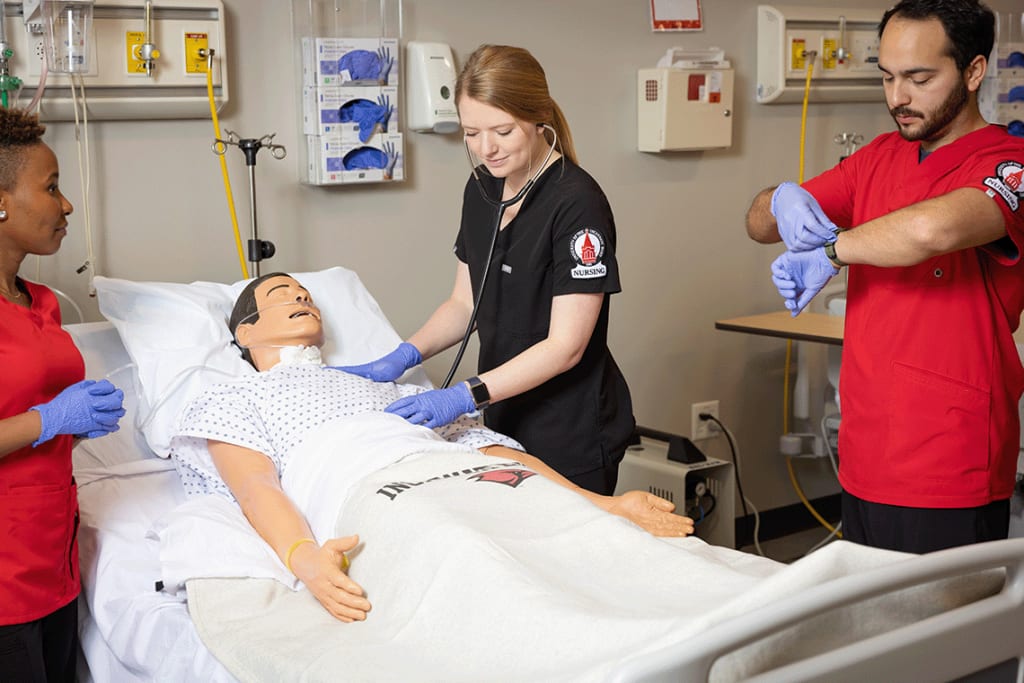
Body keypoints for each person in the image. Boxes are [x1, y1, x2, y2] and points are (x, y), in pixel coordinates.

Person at [168, 273, 692, 622]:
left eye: (306, 292)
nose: (302, 298)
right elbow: (255, 487)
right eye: (282, 295)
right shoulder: (233, 399)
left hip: (453, 470)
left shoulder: (387, 384)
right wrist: (304, 558)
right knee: (468, 552)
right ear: (245, 330)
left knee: (571, 537)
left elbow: (483, 445)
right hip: (372, 487)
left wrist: (602, 504)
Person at [745, 0, 1024, 553]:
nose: (898, 97)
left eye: (920, 78)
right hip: (867, 446)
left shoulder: (1007, 162)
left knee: (947, 635)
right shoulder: (877, 159)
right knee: (875, 630)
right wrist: (780, 197)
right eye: (888, 77)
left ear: (972, 72)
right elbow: (758, 225)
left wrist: (832, 250)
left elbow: (930, 231)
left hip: (951, 457)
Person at [337, 45, 635, 496]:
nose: (486, 149)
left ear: (538, 119)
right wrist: (403, 356)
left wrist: (463, 395)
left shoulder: (576, 202)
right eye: (471, 132)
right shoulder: (481, 190)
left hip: (569, 427)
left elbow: (566, 347)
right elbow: (464, 303)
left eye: (502, 130)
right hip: (501, 417)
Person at [0, 107, 125, 681]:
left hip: (52, 558)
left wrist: (73, 421)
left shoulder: (43, 302)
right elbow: (33, 416)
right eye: (50, 188)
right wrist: (48, 419)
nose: (66, 204)